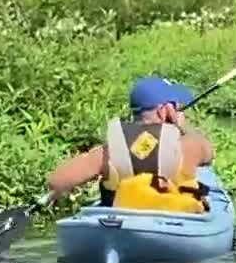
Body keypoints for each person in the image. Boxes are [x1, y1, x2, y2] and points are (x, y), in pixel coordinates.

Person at [47, 76, 215, 213]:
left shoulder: (110, 151)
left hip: (122, 220)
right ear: (164, 111)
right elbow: (209, 155)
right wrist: (181, 127)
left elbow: (56, 181)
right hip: (174, 223)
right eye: (176, 107)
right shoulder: (188, 145)